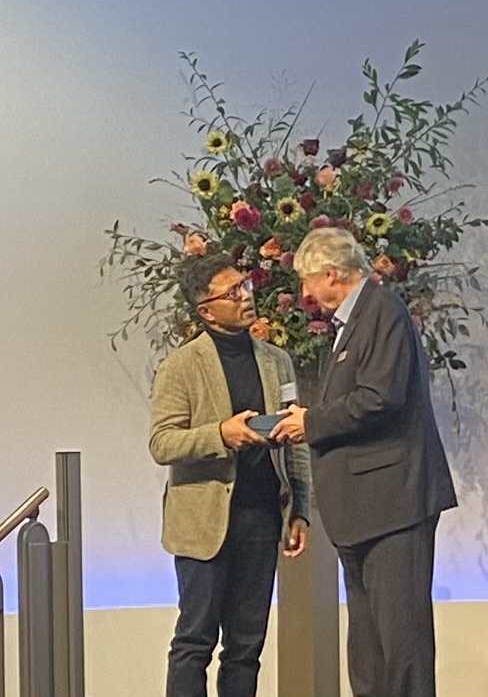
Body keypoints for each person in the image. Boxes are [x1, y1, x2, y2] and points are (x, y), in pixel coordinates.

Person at [271, 225, 456, 697]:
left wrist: (310, 422)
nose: (305, 293)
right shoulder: (355, 321)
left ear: (330, 274)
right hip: (362, 510)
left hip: (394, 504)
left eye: (306, 281)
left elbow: (380, 398)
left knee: (401, 641)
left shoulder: (382, 311)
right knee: (368, 648)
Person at [150, 251, 312, 697]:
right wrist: (221, 434)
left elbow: (294, 436)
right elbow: (162, 443)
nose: (245, 296)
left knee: (246, 646)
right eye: (233, 292)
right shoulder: (181, 365)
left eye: (245, 285)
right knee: (195, 640)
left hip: (261, 516)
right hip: (203, 522)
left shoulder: (277, 361)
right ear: (206, 311)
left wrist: (301, 506)